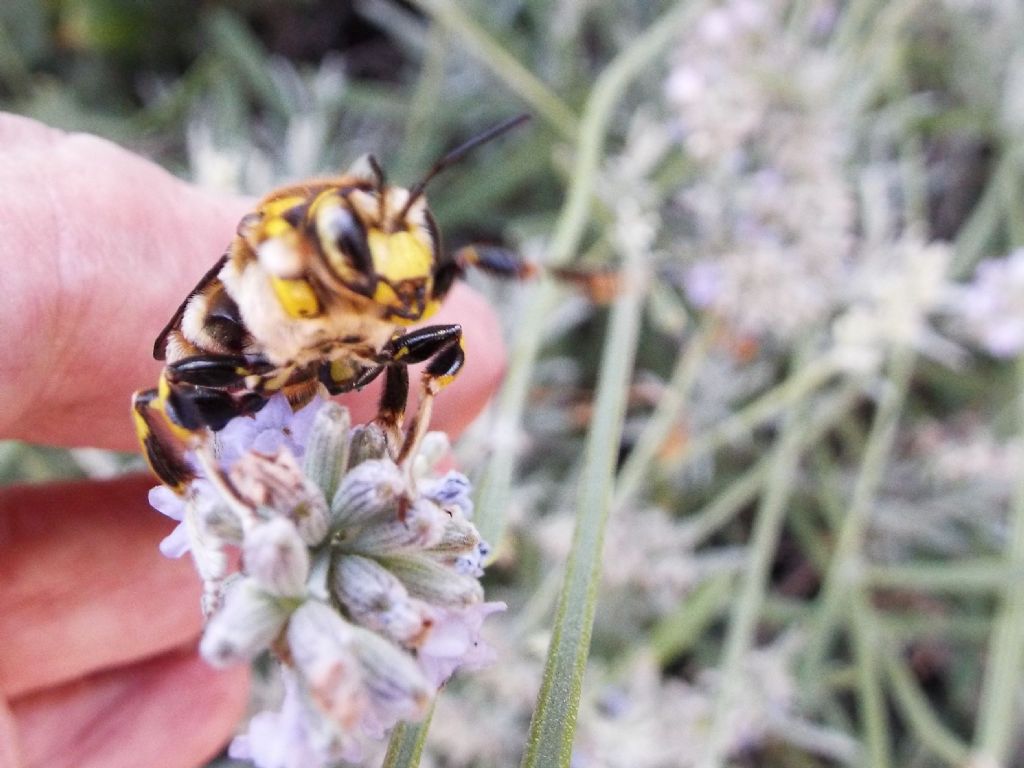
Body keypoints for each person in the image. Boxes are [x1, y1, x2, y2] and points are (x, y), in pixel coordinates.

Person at [0, 113, 506, 768]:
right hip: (223, 351)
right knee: (153, 399)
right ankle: (199, 496)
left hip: (297, 422)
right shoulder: (288, 251)